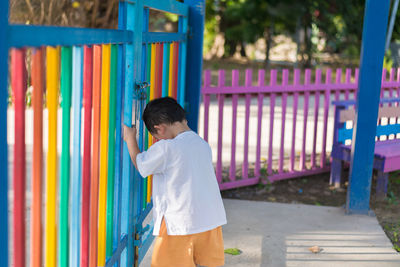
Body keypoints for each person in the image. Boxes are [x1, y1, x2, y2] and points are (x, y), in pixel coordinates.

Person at [123, 97, 227, 267]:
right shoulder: (202, 144)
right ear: (183, 119)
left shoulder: (166, 148)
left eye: (155, 136)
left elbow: (142, 165)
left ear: (160, 129)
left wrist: (130, 139)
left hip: (179, 224)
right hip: (211, 221)